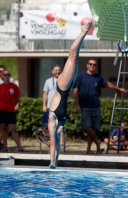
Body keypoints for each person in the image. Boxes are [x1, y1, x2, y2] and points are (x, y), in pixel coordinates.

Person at [48, 20, 92, 169]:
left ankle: (84, 31)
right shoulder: (57, 121)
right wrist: (54, 163)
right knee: (74, 56)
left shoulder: (51, 117)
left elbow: (53, 143)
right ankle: (55, 162)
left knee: (73, 55)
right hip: (65, 90)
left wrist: (52, 163)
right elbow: (56, 143)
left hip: (62, 87)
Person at [73, 58, 126, 154]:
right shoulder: (80, 77)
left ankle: (89, 149)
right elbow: (75, 91)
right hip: (85, 106)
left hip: (96, 106)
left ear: (96, 66)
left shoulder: (98, 77)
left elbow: (107, 84)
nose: (92, 66)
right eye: (90, 64)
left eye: (94, 64)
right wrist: (77, 105)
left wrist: (118, 89)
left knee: (93, 128)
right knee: (87, 127)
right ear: (87, 65)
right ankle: (97, 144)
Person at [0, 69, 24, 152]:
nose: (7, 76)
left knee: (13, 129)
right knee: (3, 128)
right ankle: (5, 147)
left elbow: (17, 98)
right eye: (5, 75)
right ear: (2, 76)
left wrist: (17, 104)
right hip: (1, 110)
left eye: (8, 75)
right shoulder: (0, 86)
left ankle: (20, 147)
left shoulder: (14, 87)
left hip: (10, 110)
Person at [0, 65, 15, 148]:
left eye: (4, 71)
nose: (3, 73)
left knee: (6, 128)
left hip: (8, 109)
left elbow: (16, 96)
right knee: (1, 128)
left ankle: (4, 146)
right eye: (1, 72)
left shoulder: (11, 81)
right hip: (1, 108)